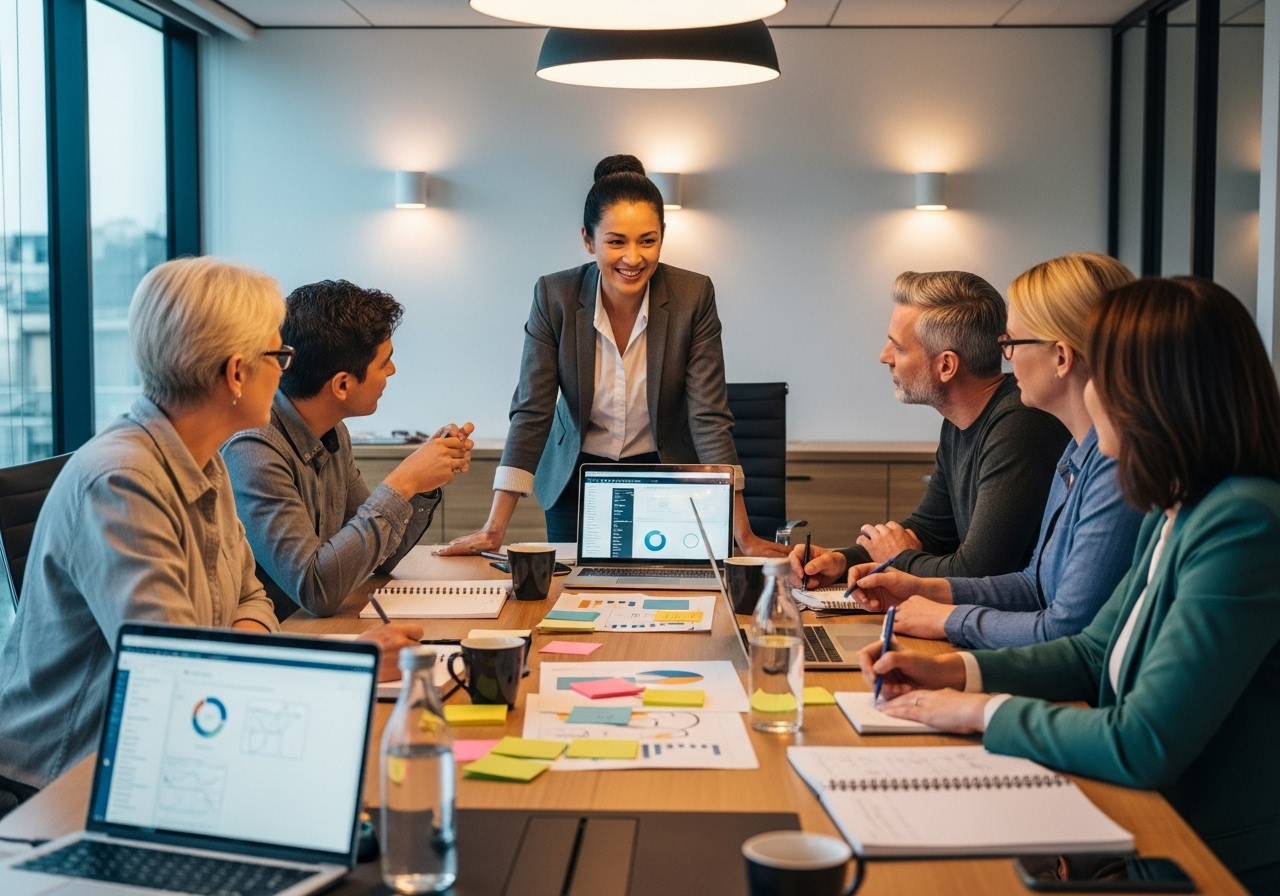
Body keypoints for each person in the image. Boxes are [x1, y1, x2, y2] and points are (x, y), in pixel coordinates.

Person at [860, 277, 1280, 892]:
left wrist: (975, 710)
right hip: (1145, 827)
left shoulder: (1242, 522)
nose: (1088, 388)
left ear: (1154, 391)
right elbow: (1091, 653)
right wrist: (950, 673)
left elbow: (1143, 740)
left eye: (1100, 371)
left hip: (1204, 858)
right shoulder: (1181, 507)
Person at [0, 258, 421, 808]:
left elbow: (250, 595)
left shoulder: (204, 458)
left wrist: (242, 656)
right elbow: (175, 675)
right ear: (236, 373)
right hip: (73, 781)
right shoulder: (122, 480)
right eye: (279, 356)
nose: (288, 370)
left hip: (173, 746)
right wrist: (353, 664)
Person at [440, 154, 784, 556]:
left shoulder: (693, 296)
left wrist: (743, 536)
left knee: (668, 595)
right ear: (588, 239)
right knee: (576, 597)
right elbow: (533, 410)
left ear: (662, 236)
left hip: (665, 476)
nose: (633, 258)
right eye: (616, 241)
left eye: (647, 240)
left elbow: (708, 415)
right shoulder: (557, 297)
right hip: (577, 480)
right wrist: (494, 529)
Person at [844, 254, 1145, 648]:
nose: (1007, 356)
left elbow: (1066, 631)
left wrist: (947, 620)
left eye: (1014, 343)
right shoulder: (1076, 450)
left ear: (1061, 356)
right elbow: (1033, 585)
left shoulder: (1108, 464)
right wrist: (905, 581)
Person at [792, 270, 1070, 585]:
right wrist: (841, 561)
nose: (884, 357)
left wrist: (897, 559)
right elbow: (930, 531)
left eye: (898, 347)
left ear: (946, 366)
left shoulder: (1020, 425)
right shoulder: (958, 423)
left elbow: (977, 572)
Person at [223, 279, 474, 620]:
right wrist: (404, 482)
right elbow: (316, 589)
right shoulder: (253, 450)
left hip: (316, 633)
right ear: (342, 384)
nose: (392, 370)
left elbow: (385, 556)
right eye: (384, 363)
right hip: (281, 644)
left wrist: (423, 483)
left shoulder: (332, 431)